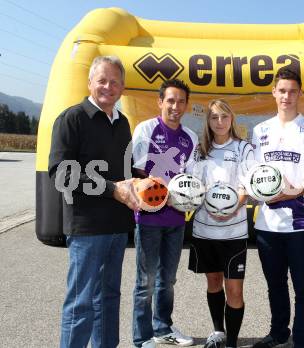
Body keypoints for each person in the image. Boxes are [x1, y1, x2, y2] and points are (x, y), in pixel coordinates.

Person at [49, 55, 140, 348]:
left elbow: (124, 170)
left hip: (116, 226)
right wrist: (113, 189)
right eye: (102, 80)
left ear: (122, 88)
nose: (108, 86)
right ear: (90, 83)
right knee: (81, 303)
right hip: (87, 227)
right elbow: (61, 174)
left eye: (114, 82)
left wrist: (144, 180)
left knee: (109, 298)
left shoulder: (123, 122)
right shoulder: (71, 118)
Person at [251, 67, 304, 348]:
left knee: (303, 287)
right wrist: (263, 191)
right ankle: (279, 332)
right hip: (268, 224)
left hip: (301, 224)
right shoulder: (260, 131)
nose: (287, 96)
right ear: (274, 93)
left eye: (293, 91)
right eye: (282, 90)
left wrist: (295, 190)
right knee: (275, 285)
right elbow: (254, 172)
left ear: (300, 93)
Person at [131, 79, 198, 348]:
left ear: (186, 105)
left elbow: (190, 179)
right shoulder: (146, 129)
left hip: (176, 220)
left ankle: (162, 328)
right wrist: (165, 194)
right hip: (149, 217)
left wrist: (183, 198)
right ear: (160, 102)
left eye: (181, 101)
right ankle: (142, 337)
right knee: (145, 281)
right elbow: (137, 172)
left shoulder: (190, 137)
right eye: (170, 100)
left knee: (167, 280)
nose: (175, 106)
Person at [188, 99, 254, 348]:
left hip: (233, 232)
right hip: (205, 231)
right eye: (214, 117)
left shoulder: (243, 149)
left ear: (232, 119)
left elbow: (247, 186)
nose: (219, 122)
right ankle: (218, 332)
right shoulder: (199, 150)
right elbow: (192, 185)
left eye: (224, 117)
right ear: (208, 121)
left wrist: (229, 208)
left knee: (235, 290)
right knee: (213, 283)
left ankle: (232, 343)